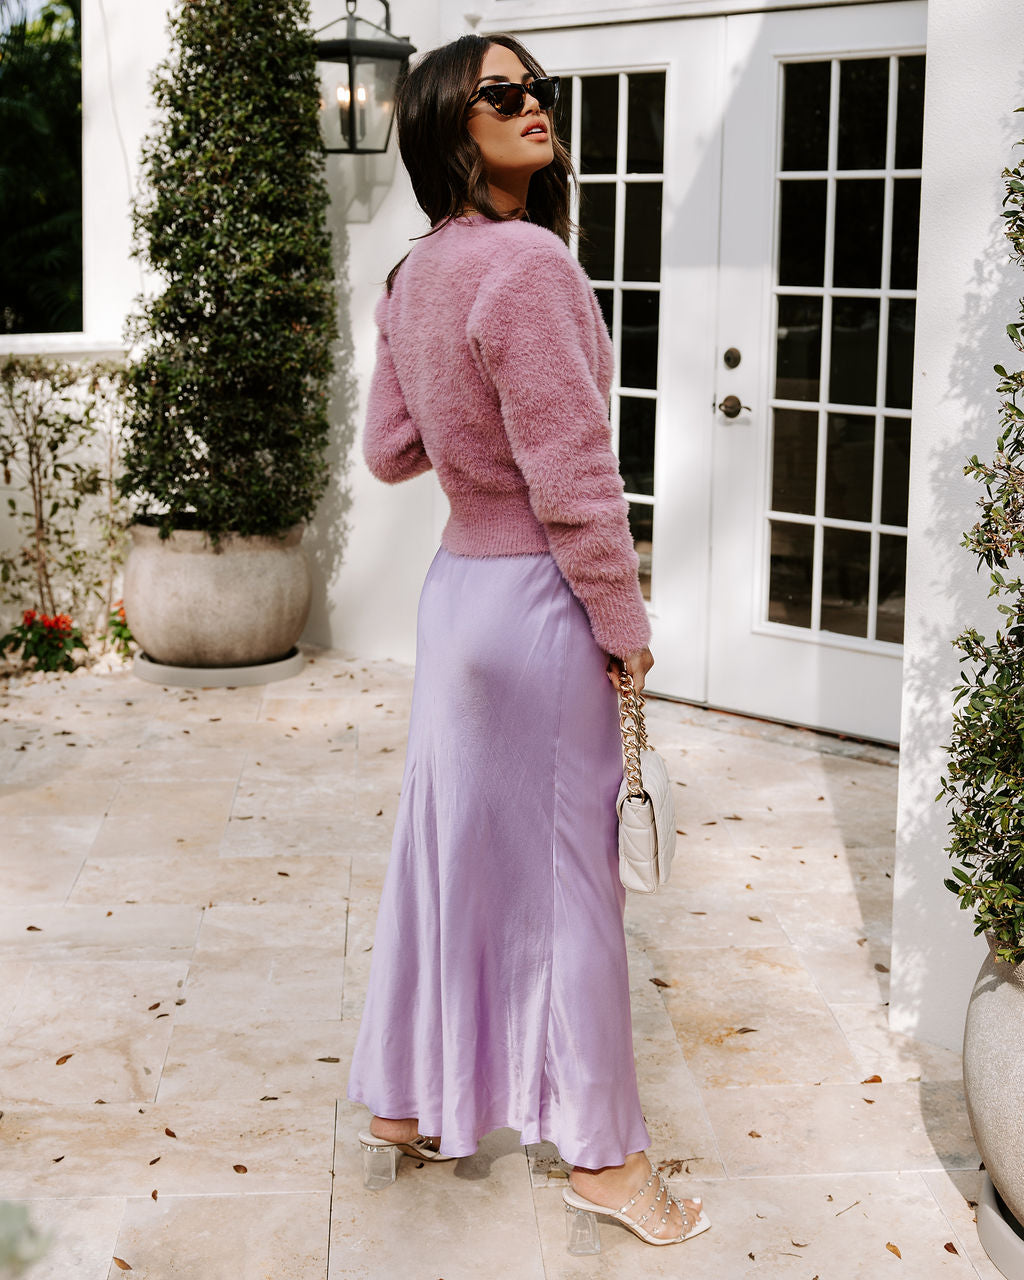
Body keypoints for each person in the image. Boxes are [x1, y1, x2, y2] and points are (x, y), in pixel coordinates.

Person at [346, 31, 710, 1250]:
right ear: (450, 126)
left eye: (536, 88)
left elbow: (389, 449)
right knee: (570, 886)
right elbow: (574, 478)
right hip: (538, 603)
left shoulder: (412, 277)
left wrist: (460, 420)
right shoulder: (531, 265)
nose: (531, 106)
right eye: (499, 94)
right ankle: (608, 1158)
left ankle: (406, 1099)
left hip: (458, 597)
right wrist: (625, 623)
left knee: (444, 847)